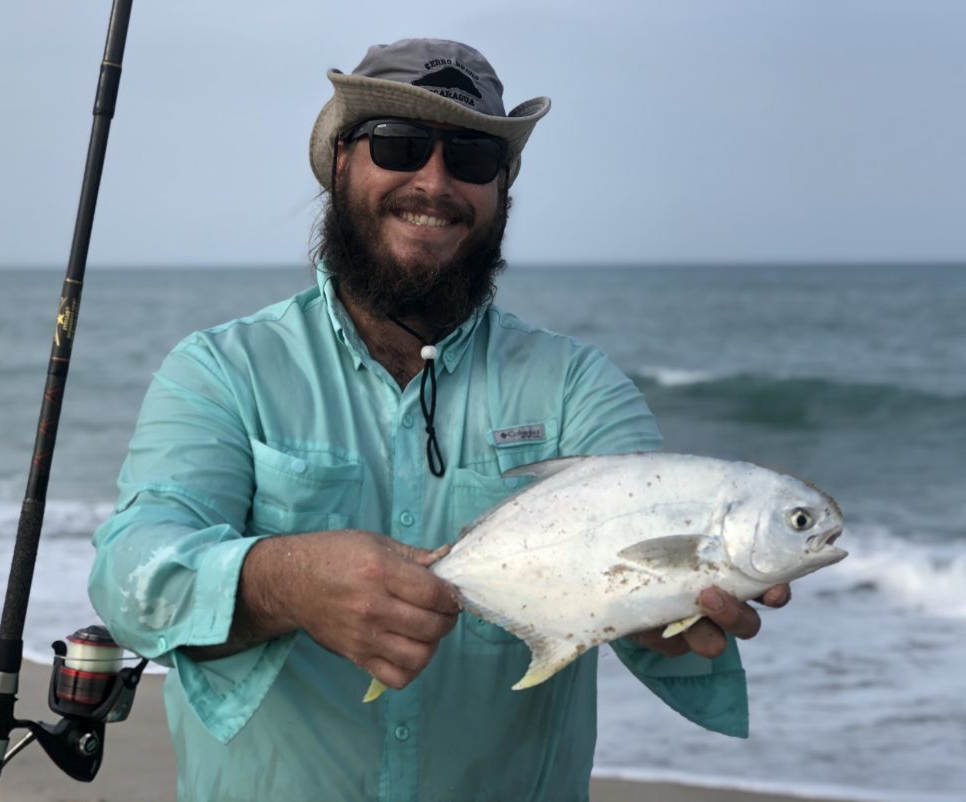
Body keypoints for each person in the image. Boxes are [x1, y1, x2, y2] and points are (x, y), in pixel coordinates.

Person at [89, 38, 790, 802]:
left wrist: (667, 615)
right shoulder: (223, 370)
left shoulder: (576, 387)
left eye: (472, 158)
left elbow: (640, 548)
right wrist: (285, 581)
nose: (434, 181)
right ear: (339, 165)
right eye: (399, 144)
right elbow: (131, 573)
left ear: (504, 190)